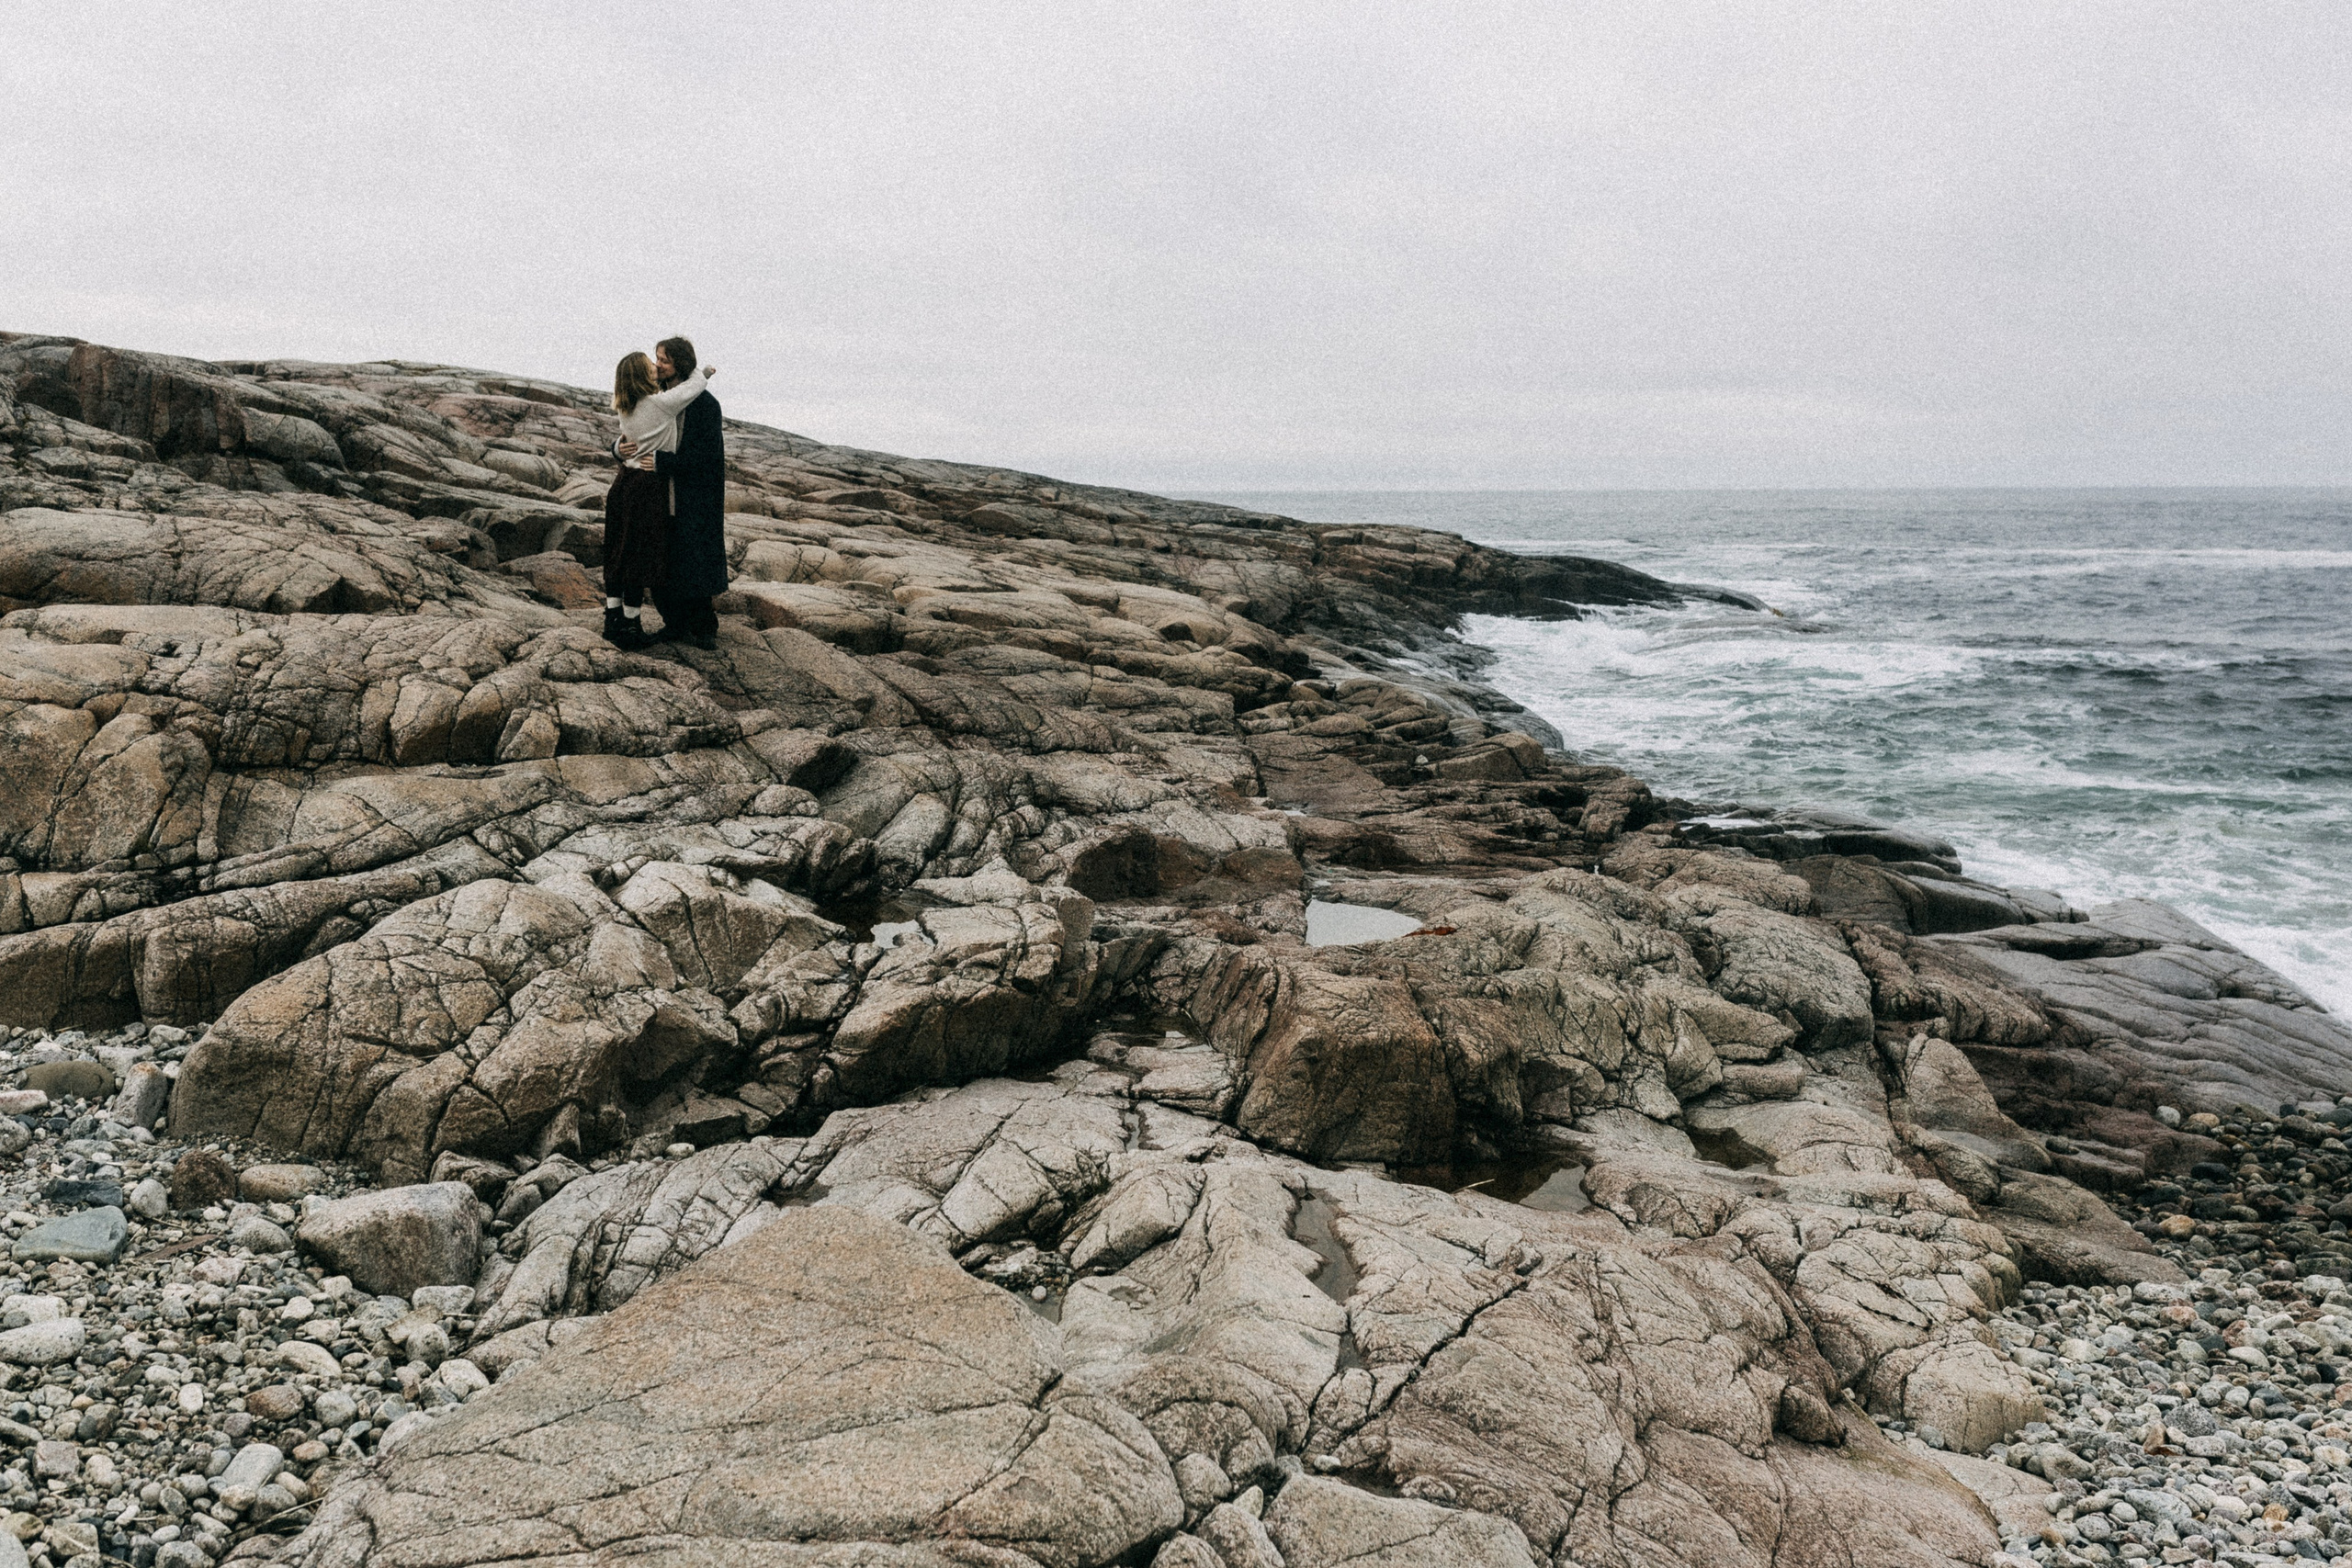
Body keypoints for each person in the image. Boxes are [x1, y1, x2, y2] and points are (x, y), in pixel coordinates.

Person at [616, 335, 727, 651]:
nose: (657, 365)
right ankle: (674, 623)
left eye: (663, 359)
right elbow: (633, 431)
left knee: (693, 560)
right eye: (656, 358)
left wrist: (665, 462)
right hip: (655, 494)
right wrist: (617, 449)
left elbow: (709, 458)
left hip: (693, 496)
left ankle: (704, 627)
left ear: (679, 363)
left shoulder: (705, 406)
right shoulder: (655, 398)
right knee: (660, 562)